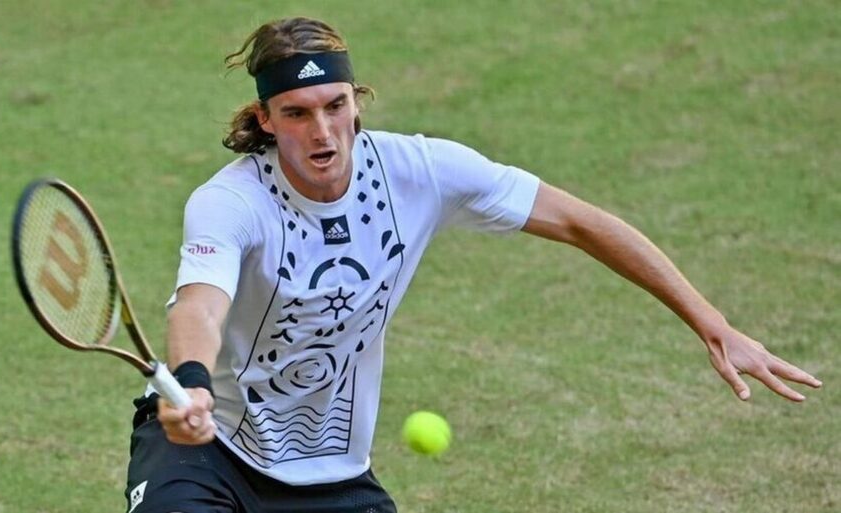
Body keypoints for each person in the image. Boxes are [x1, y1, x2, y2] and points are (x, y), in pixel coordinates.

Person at [123, 16, 822, 513]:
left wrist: (710, 322)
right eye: (297, 113)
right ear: (266, 119)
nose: (323, 131)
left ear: (357, 101)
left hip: (331, 471)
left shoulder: (422, 170)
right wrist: (190, 384)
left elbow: (583, 222)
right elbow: (200, 304)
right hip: (208, 445)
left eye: (335, 105)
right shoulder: (231, 201)